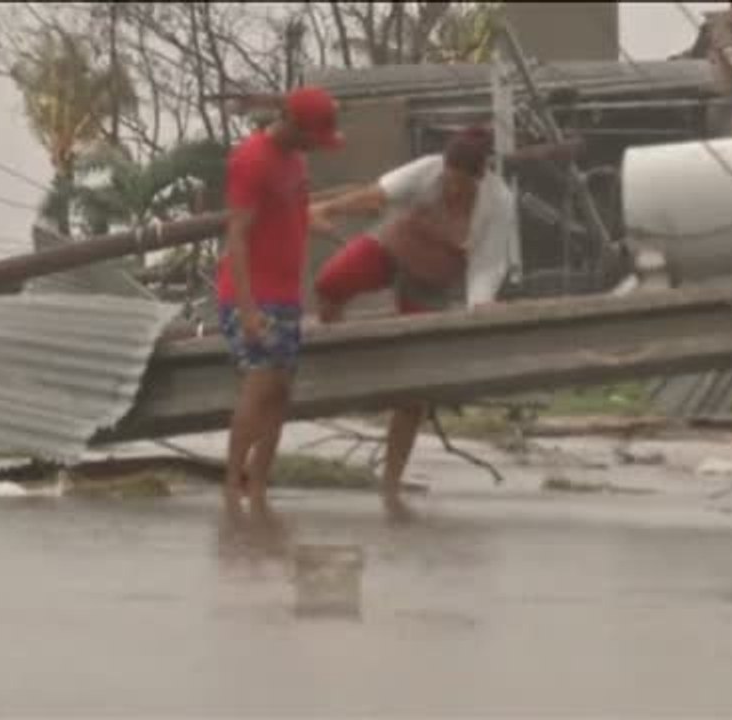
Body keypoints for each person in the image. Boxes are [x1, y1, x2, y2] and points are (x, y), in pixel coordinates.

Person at [309, 128, 519, 520]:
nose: (452, 189)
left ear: (479, 176)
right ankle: (332, 363)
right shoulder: (427, 171)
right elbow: (377, 195)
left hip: (434, 281)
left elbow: (488, 262)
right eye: (449, 179)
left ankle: (390, 485)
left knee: (414, 390)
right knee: (330, 282)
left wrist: (481, 304)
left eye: (460, 184)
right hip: (394, 246)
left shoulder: (499, 202)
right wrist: (329, 209)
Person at [216, 86, 342, 521]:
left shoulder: (296, 161)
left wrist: (313, 219)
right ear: (293, 125)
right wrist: (248, 311)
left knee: (281, 391)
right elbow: (237, 235)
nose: (317, 146)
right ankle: (232, 485)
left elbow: (287, 210)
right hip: (251, 294)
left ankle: (259, 484)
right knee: (261, 383)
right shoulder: (250, 161)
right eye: (314, 136)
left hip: (286, 296)